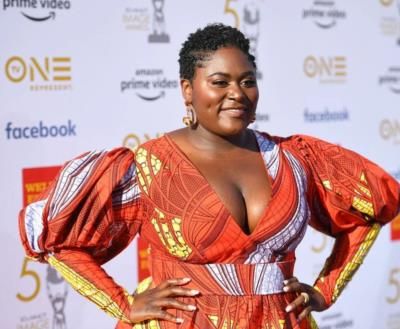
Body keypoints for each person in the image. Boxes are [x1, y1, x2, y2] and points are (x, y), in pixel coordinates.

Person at [19, 23, 400, 329]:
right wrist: (122, 303)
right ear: (188, 90)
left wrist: (324, 290)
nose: (237, 93)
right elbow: (57, 239)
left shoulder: (296, 159)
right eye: (220, 82)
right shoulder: (149, 166)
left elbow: (370, 211)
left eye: (247, 81)